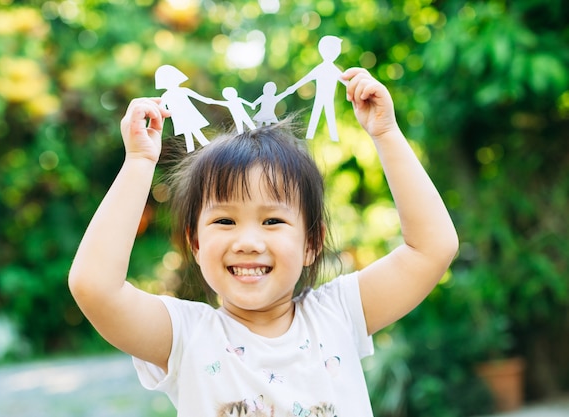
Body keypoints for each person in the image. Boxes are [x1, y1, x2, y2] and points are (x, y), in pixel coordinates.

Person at [69, 67, 459, 416]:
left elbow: (432, 249)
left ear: (311, 244)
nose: (249, 241)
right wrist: (139, 161)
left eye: (272, 220)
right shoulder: (186, 337)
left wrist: (386, 134)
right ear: (196, 243)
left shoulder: (337, 314)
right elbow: (94, 287)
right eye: (225, 220)